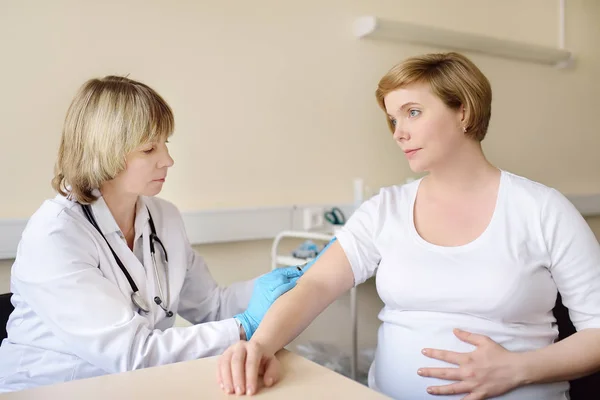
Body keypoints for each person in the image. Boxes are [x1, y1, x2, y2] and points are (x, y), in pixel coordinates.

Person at [215, 52, 600, 399]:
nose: (399, 132)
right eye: (393, 118)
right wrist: (261, 344)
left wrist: (518, 369)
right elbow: (316, 284)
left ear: (463, 112)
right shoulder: (386, 209)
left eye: (413, 112)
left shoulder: (542, 210)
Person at [0, 76, 302, 392]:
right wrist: (243, 327)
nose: (168, 160)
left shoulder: (164, 217)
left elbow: (211, 306)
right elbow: (134, 353)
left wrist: (284, 283)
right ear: (104, 151)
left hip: (131, 386)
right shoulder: (55, 236)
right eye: (149, 148)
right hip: (46, 390)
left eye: (165, 143)